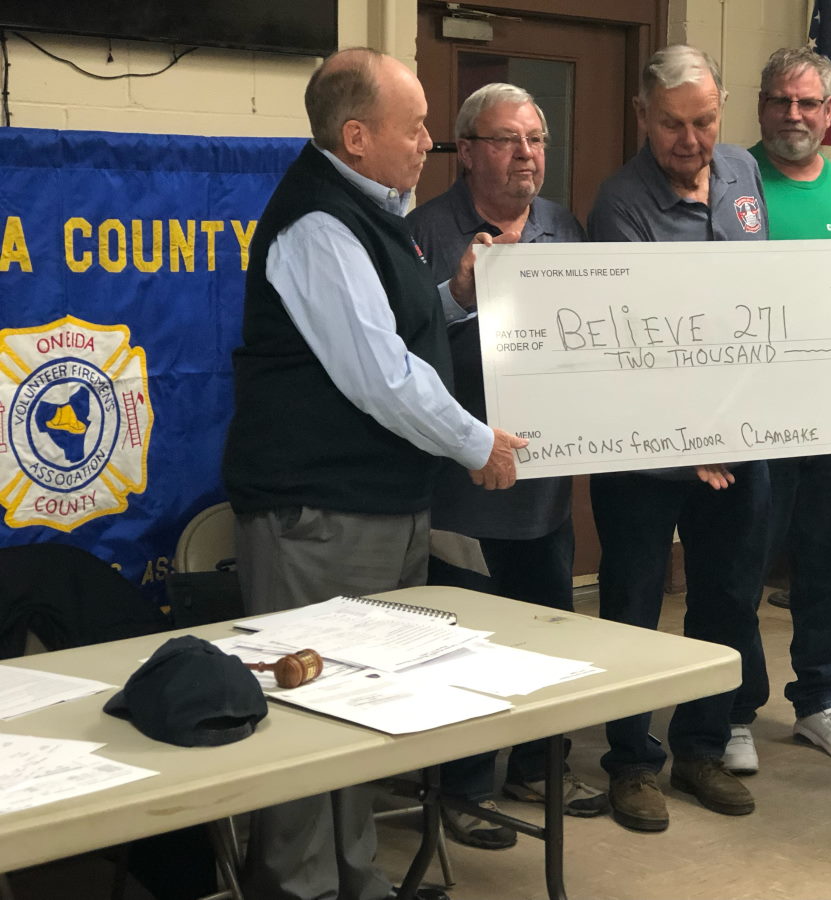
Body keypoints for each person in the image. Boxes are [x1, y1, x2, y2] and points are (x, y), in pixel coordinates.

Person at [221, 48, 526, 900]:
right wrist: (477, 444)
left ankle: (357, 881)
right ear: (356, 137)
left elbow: (391, 326)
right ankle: (302, 889)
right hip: (318, 517)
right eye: (416, 127)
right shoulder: (318, 225)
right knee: (307, 723)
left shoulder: (370, 211)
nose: (430, 142)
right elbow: (379, 375)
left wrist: (454, 298)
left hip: (375, 507)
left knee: (358, 715)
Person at [406, 82, 609, 850]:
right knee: (462, 641)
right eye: (505, 140)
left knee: (544, 634)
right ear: (467, 150)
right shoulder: (425, 231)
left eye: (536, 140)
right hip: (460, 486)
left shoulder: (564, 227)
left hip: (544, 486)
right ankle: (460, 788)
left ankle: (535, 767)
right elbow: (401, 352)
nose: (526, 154)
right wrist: (457, 291)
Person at [586, 44, 770, 833]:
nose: (690, 141)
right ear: (642, 117)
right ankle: (631, 763)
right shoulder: (619, 204)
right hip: (645, 451)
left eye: (703, 121)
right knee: (632, 603)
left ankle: (702, 747)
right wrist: (691, 435)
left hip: (737, 442)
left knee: (727, 599)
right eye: (671, 125)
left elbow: (757, 302)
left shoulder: (743, 173)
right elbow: (638, 339)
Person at [724, 47, 831, 776]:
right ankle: (733, 710)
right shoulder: (731, 181)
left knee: (829, 565)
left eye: (808, 102)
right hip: (749, 418)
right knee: (739, 569)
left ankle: (822, 699)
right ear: (760, 106)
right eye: (780, 101)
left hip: (830, 420)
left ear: (828, 111)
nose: (794, 115)